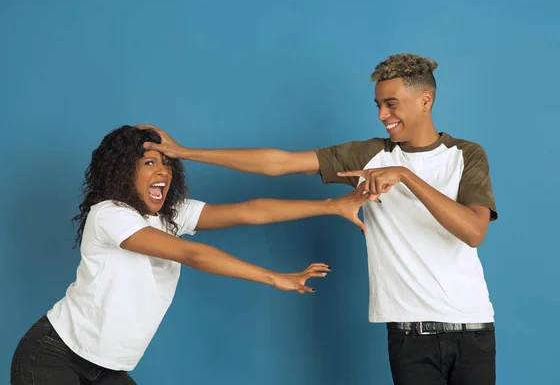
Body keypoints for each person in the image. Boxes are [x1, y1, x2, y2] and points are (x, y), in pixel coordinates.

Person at [139, 53, 500, 384]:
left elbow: (472, 231)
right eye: (377, 105)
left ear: (425, 100)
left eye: (391, 104)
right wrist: (184, 152)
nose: (381, 115)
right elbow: (277, 164)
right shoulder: (367, 154)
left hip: (473, 330)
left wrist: (405, 176)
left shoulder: (466, 155)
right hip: (408, 336)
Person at [10, 125, 371, 385]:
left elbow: (251, 210)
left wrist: (332, 204)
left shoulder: (170, 214)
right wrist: (274, 277)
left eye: (166, 163)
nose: (162, 171)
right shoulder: (110, 214)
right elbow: (191, 254)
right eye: (150, 163)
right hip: (55, 355)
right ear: (124, 171)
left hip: (107, 368)